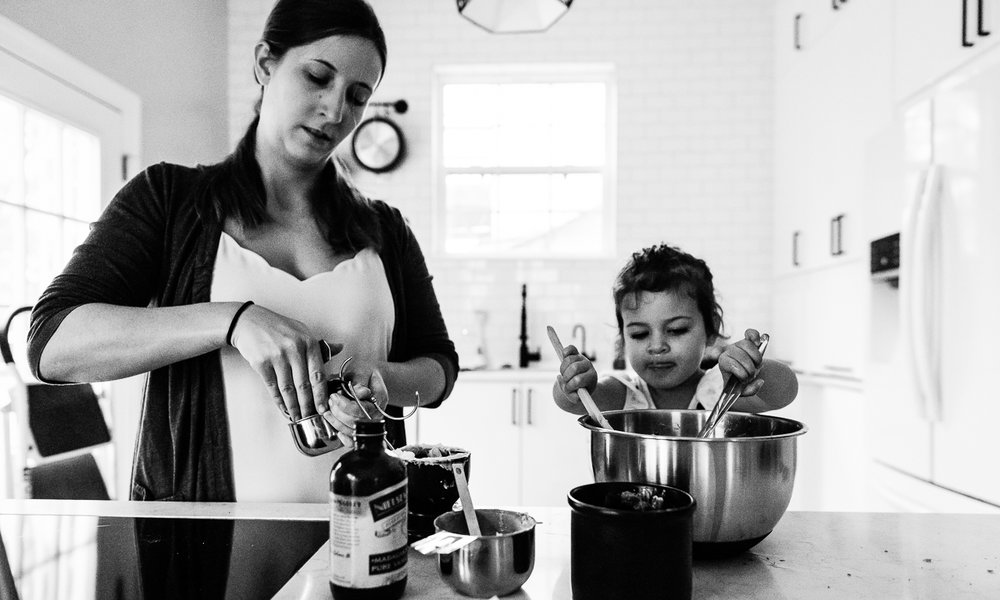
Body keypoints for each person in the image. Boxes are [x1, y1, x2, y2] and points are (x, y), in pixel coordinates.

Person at [25, 0, 458, 503]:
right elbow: (52, 343)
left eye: (357, 96)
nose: (336, 111)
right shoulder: (168, 200)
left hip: (370, 530)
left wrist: (386, 382)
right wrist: (234, 321)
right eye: (318, 77)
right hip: (206, 553)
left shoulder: (387, 230)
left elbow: (439, 367)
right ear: (264, 64)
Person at [553, 243, 797, 415]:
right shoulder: (622, 394)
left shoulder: (721, 389)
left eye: (677, 330)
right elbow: (573, 403)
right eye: (639, 334)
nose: (657, 346)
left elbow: (785, 390)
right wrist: (575, 385)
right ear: (623, 339)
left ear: (710, 328)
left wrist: (751, 371)